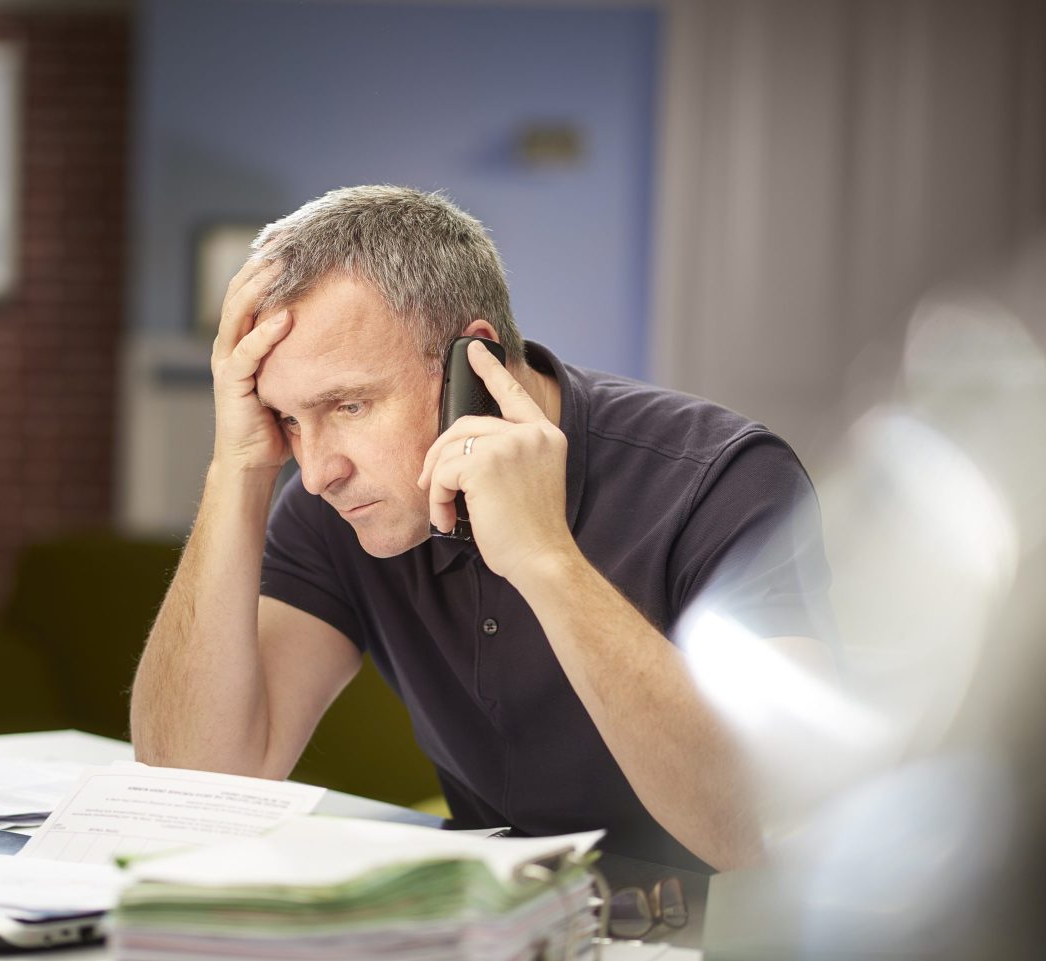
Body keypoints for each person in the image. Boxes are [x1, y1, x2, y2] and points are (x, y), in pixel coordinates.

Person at [129, 185, 833, 872]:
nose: (316, 471)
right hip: (491, 923)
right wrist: (238, 467)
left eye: (347, 405)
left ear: (478, 363)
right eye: (288, 418)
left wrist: (546, 558)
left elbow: (763, 825)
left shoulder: (724, 479)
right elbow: (195, 783)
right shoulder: (336, 505)